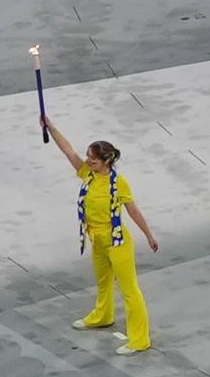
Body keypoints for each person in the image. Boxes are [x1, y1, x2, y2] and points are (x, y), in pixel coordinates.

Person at [48, 116, 159, 351]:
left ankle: (140, 339)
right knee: (103, 282)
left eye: (93, 158)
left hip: (117, 242)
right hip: (96, 239)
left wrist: (149, 235)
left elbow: (133, 211)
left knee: (129, 290)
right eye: (88, 156)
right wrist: (49, 126)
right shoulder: (88, 174)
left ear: (106, 161)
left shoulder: (119, 183)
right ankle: (103, 315)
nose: (88, 161)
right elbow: (68, 151)